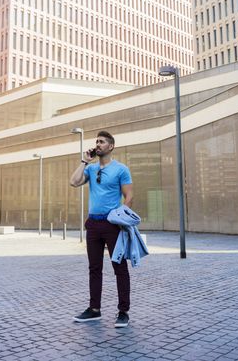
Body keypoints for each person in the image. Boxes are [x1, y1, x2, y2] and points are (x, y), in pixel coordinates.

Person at [70, 130, 133, 328]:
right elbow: (73, 182)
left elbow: (129, 197)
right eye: (96, 141)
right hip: (94, 224)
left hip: (112, 224)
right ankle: (94, 309)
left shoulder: (121, 169)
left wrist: (121, 219)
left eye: (102, 142)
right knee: (94, 268)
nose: (97, 144)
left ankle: (123, 312)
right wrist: (84, 161)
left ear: (111, 146)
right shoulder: (90, 169)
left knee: (119, 267)